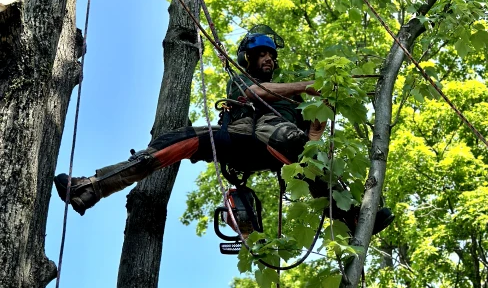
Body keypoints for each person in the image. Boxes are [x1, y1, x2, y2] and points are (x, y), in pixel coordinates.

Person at [54, 25, 393, 234]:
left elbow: (311, 141)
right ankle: (94, 186)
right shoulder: (243, 79)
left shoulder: (294, 105)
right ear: (248, 58)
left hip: (278, 148)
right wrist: (307, 86)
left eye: (271, 57)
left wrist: (317, 125)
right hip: (239, 140)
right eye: (261, 55)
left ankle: (351, 215)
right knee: (175, 141)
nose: (268, 60)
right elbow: (255, 93)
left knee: (304, 150)